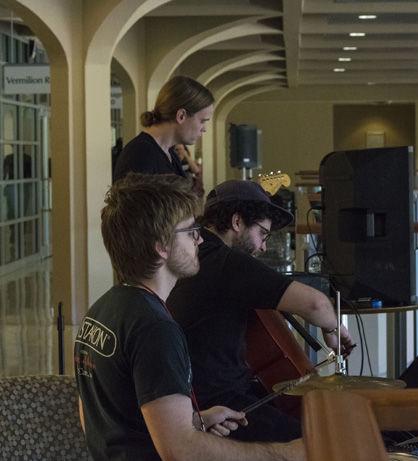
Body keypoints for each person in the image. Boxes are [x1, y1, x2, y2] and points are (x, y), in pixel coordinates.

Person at [74, 173, 303, 460]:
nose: (199, 238)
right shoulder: (155, 329)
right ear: (161, 245)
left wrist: (195, 420)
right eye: (190, 230)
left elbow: (96, 418)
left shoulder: (101, 310)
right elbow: (181, 451)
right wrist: (287, 454)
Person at [167, 179, 355, 443]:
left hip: (194, 397)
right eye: (262, 234)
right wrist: (335, 330)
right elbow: (317, 304)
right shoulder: (227, 262)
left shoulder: (197, 254)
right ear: (237, 222)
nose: (263, 247)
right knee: (319, 441)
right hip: (221, 404)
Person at [112, 76, 214, 182]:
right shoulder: (140, 154)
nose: (204, 129)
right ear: (181, 116)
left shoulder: (170, 153)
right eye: (202, 121)